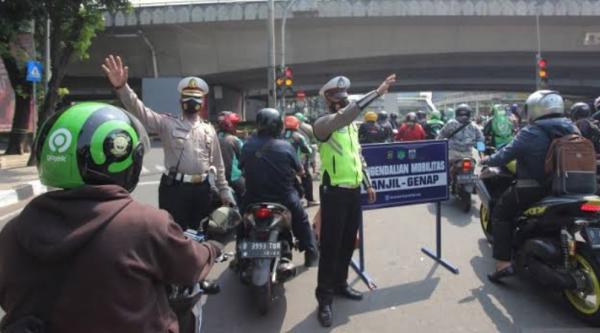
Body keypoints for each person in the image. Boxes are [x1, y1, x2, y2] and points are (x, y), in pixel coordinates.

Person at [0, 103, 223, 332]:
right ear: (129, 161)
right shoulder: (146, 225)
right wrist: (213, 248)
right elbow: (190, 267)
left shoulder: (12, 231)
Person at [102, 55, 234, 231]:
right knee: (173, 234)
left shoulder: (209, 130)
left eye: (196, 98)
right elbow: (140, 111)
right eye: (188, 98)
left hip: (202, 189)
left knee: (200, 234)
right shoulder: (167, 124)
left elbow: (218, 165)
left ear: (202, 103)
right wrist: (122, 87)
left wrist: (224, 190)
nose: (192, 102)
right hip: (175, 190)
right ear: (181, 102)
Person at [313, 74, 395, 327]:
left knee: (349, 242)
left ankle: (340, 284)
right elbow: (345, 116)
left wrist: (368, 182)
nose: (343, 101)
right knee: (330, 247)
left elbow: (358, 156)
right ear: (329, 101)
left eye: (344, 97)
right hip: (334, 192)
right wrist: (377, 92)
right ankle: (324, 299)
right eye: (338, 98)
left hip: (352, 192)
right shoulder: (324, 124)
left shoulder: (350, 127)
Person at [482, 90, 579, 283]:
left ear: (534, 109)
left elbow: (506, 154)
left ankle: (503, 264)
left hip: (535, 188)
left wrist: (487, 159)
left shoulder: (532, 131)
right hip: (572, 187)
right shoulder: (573, 128)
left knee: (501, 213)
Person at [240, 108, 319, 268]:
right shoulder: (286, 146)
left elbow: (241, 167)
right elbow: (300, 171)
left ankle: (239, 253)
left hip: (253, 197)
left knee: (241, 221)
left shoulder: (247, 145)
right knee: (301, 220)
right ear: (278, 126)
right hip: (283, 197)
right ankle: (311, 254)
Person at [216, 111, 245, 204]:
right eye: (235, 124)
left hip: (217, 179)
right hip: (234, 178)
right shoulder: (234, 140)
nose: (236, 127)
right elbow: (245, 157)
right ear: (229, 125)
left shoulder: (214, 137)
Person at [294, 112, 319, 206]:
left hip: (288, 159)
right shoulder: (307, 128)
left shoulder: (284, 132)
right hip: (303, 156)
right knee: (306, 177)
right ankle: (310, 199)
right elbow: (313, 140)